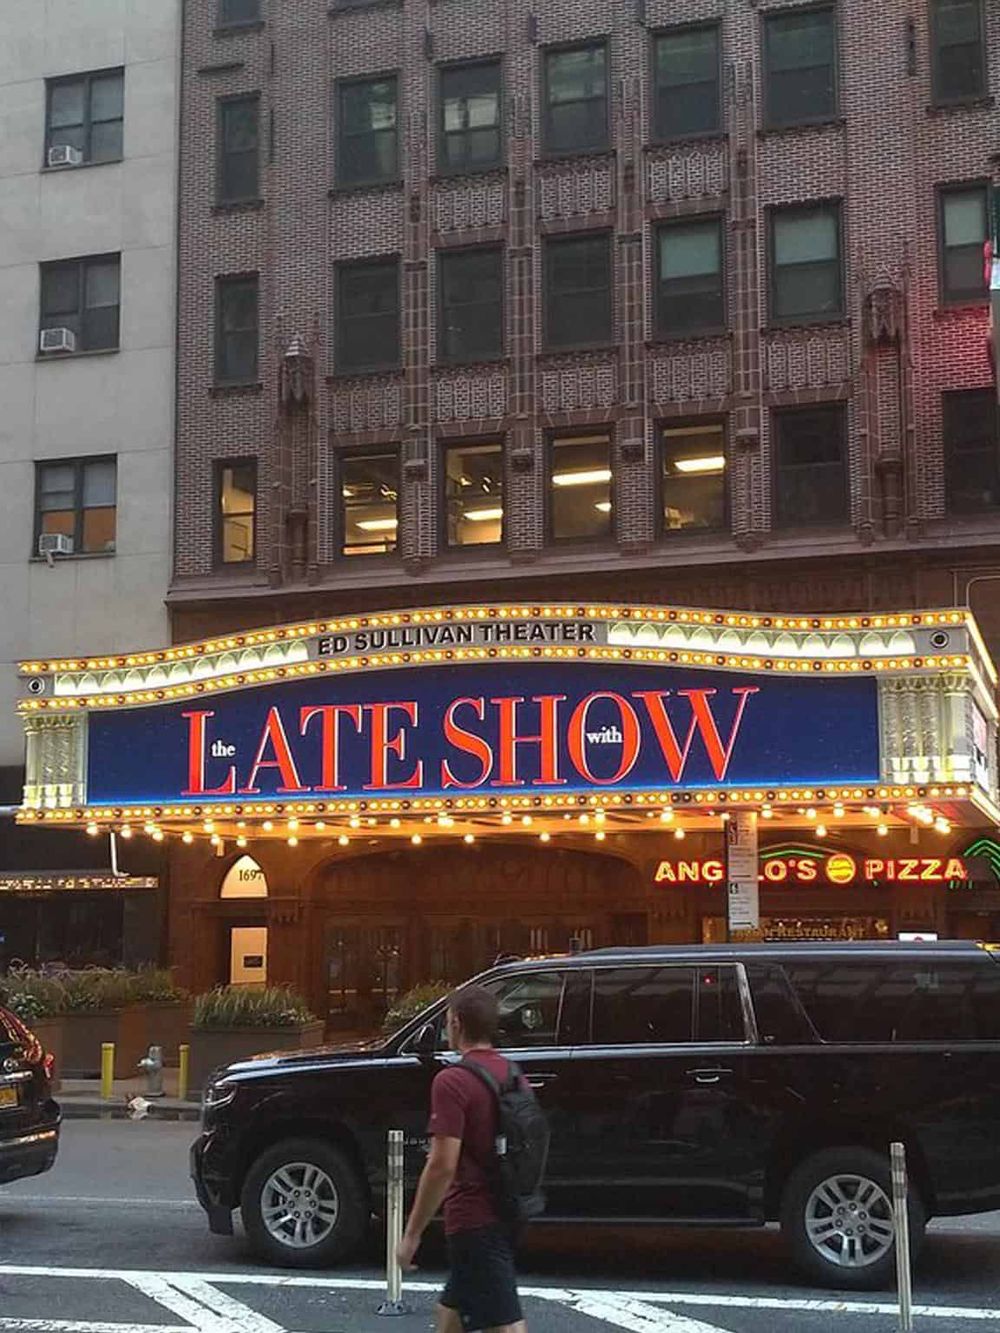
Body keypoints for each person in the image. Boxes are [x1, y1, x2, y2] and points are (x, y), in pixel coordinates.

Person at [397, 985, 527, 1333]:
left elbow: (442, 1165)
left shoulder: (452, 1081)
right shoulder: (512, 1074)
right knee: (451, 1310)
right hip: (508, 1206)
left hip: (472, 1216)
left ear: (456, 1023)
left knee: (506, 1324)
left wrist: (411, 1234)